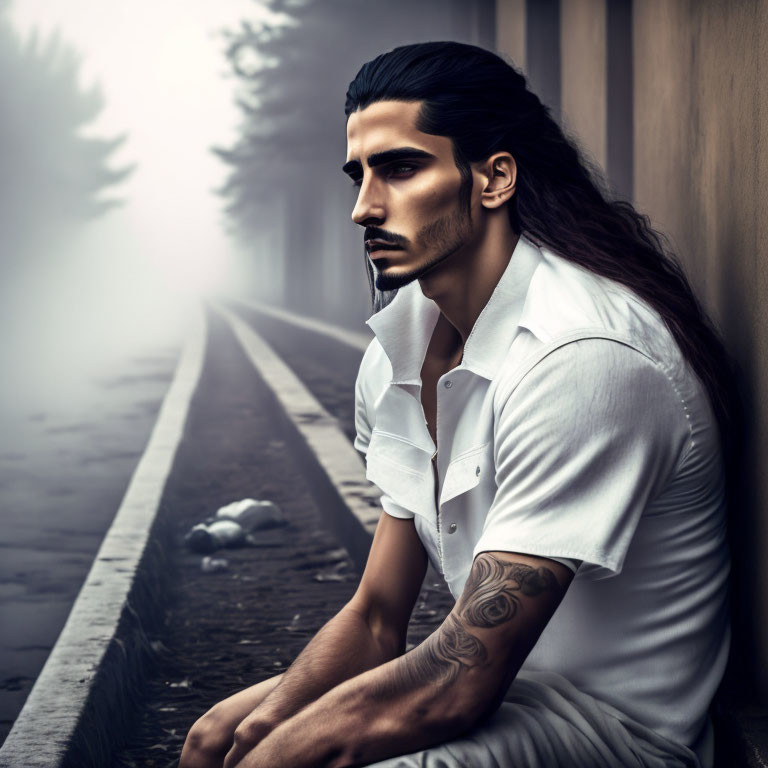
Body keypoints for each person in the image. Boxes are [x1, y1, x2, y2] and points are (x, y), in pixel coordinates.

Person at [180, 41, 738, 768]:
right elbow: (380, 617)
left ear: (494, 178)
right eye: (359, 175)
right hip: (510, 694)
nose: (363, 208)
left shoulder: (583, 358)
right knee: (215, 737)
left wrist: (285, 749)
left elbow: (457, 685)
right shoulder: (399, 349)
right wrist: (272, 723)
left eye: (402, 168)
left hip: (619, 737)